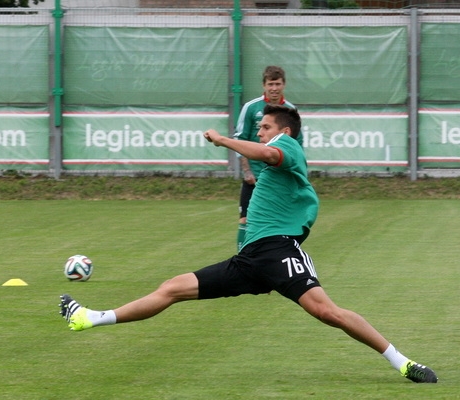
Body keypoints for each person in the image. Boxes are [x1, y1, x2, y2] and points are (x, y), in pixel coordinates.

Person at [59, 105, 438, 384]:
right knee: (173, 288)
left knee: (329, 313)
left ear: (284, 130)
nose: (260, 131)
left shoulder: (287, 147)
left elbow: (268, 152)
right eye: (259, 127)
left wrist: (224, 140)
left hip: (280, 252)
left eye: (265, 126)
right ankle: (89, 318)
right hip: (251, 260)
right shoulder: (275, 160)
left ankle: (403, 362)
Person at [234, 66, 299, 252]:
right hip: (254, 176)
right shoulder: (251, 108)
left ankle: (280, 257)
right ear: (264, 85)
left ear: (284, 85)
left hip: (279, 178)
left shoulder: (290, 110)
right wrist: (247, 170)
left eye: (278, 84)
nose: (274, 88)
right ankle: (243, 257)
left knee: (280, 221)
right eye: (270, 84)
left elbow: (296, 145)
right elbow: (241, 138)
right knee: (246, 219)